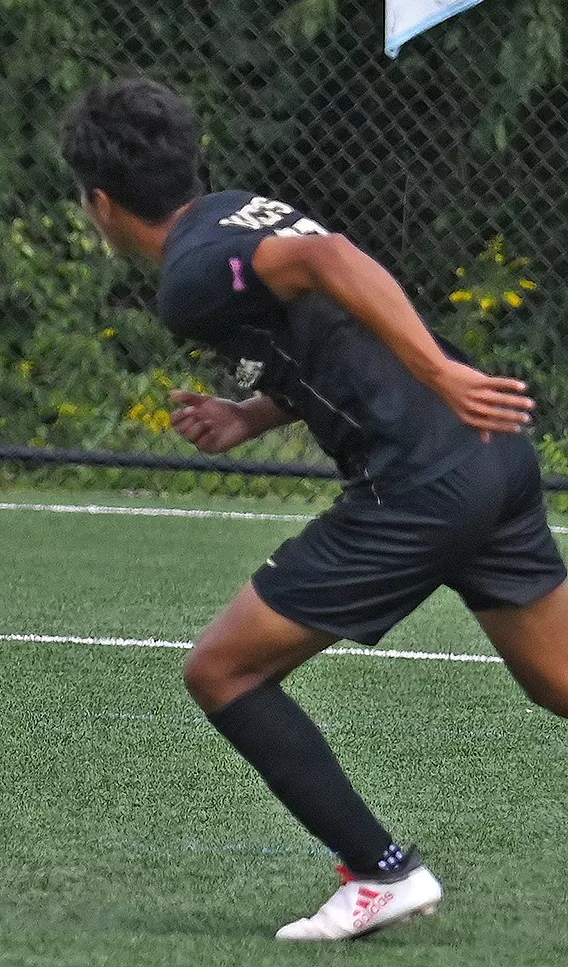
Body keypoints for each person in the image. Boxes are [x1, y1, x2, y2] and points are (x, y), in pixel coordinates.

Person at [60, 77, 568, 940]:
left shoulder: (187, 278)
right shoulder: (237, 209)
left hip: (417, 483)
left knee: (222, 671)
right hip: (489, 460)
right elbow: (326, 331)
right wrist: (248, 415)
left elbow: (330, 262)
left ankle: (379, 873)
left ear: (100, 202)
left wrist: (440, 372)